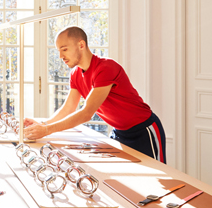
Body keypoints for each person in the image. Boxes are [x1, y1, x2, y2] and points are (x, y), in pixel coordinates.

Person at [23, 26, 166, 163]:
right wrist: (42, 125)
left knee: (163, 178)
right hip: (119, 132)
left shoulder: (106, 67)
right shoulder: (75, 74)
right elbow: (68, 108)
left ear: (81, 45)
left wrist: (46, 130)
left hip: (144, 130)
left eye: (64, 49)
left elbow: (86, 113)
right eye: (59, 51)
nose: (61, 56)